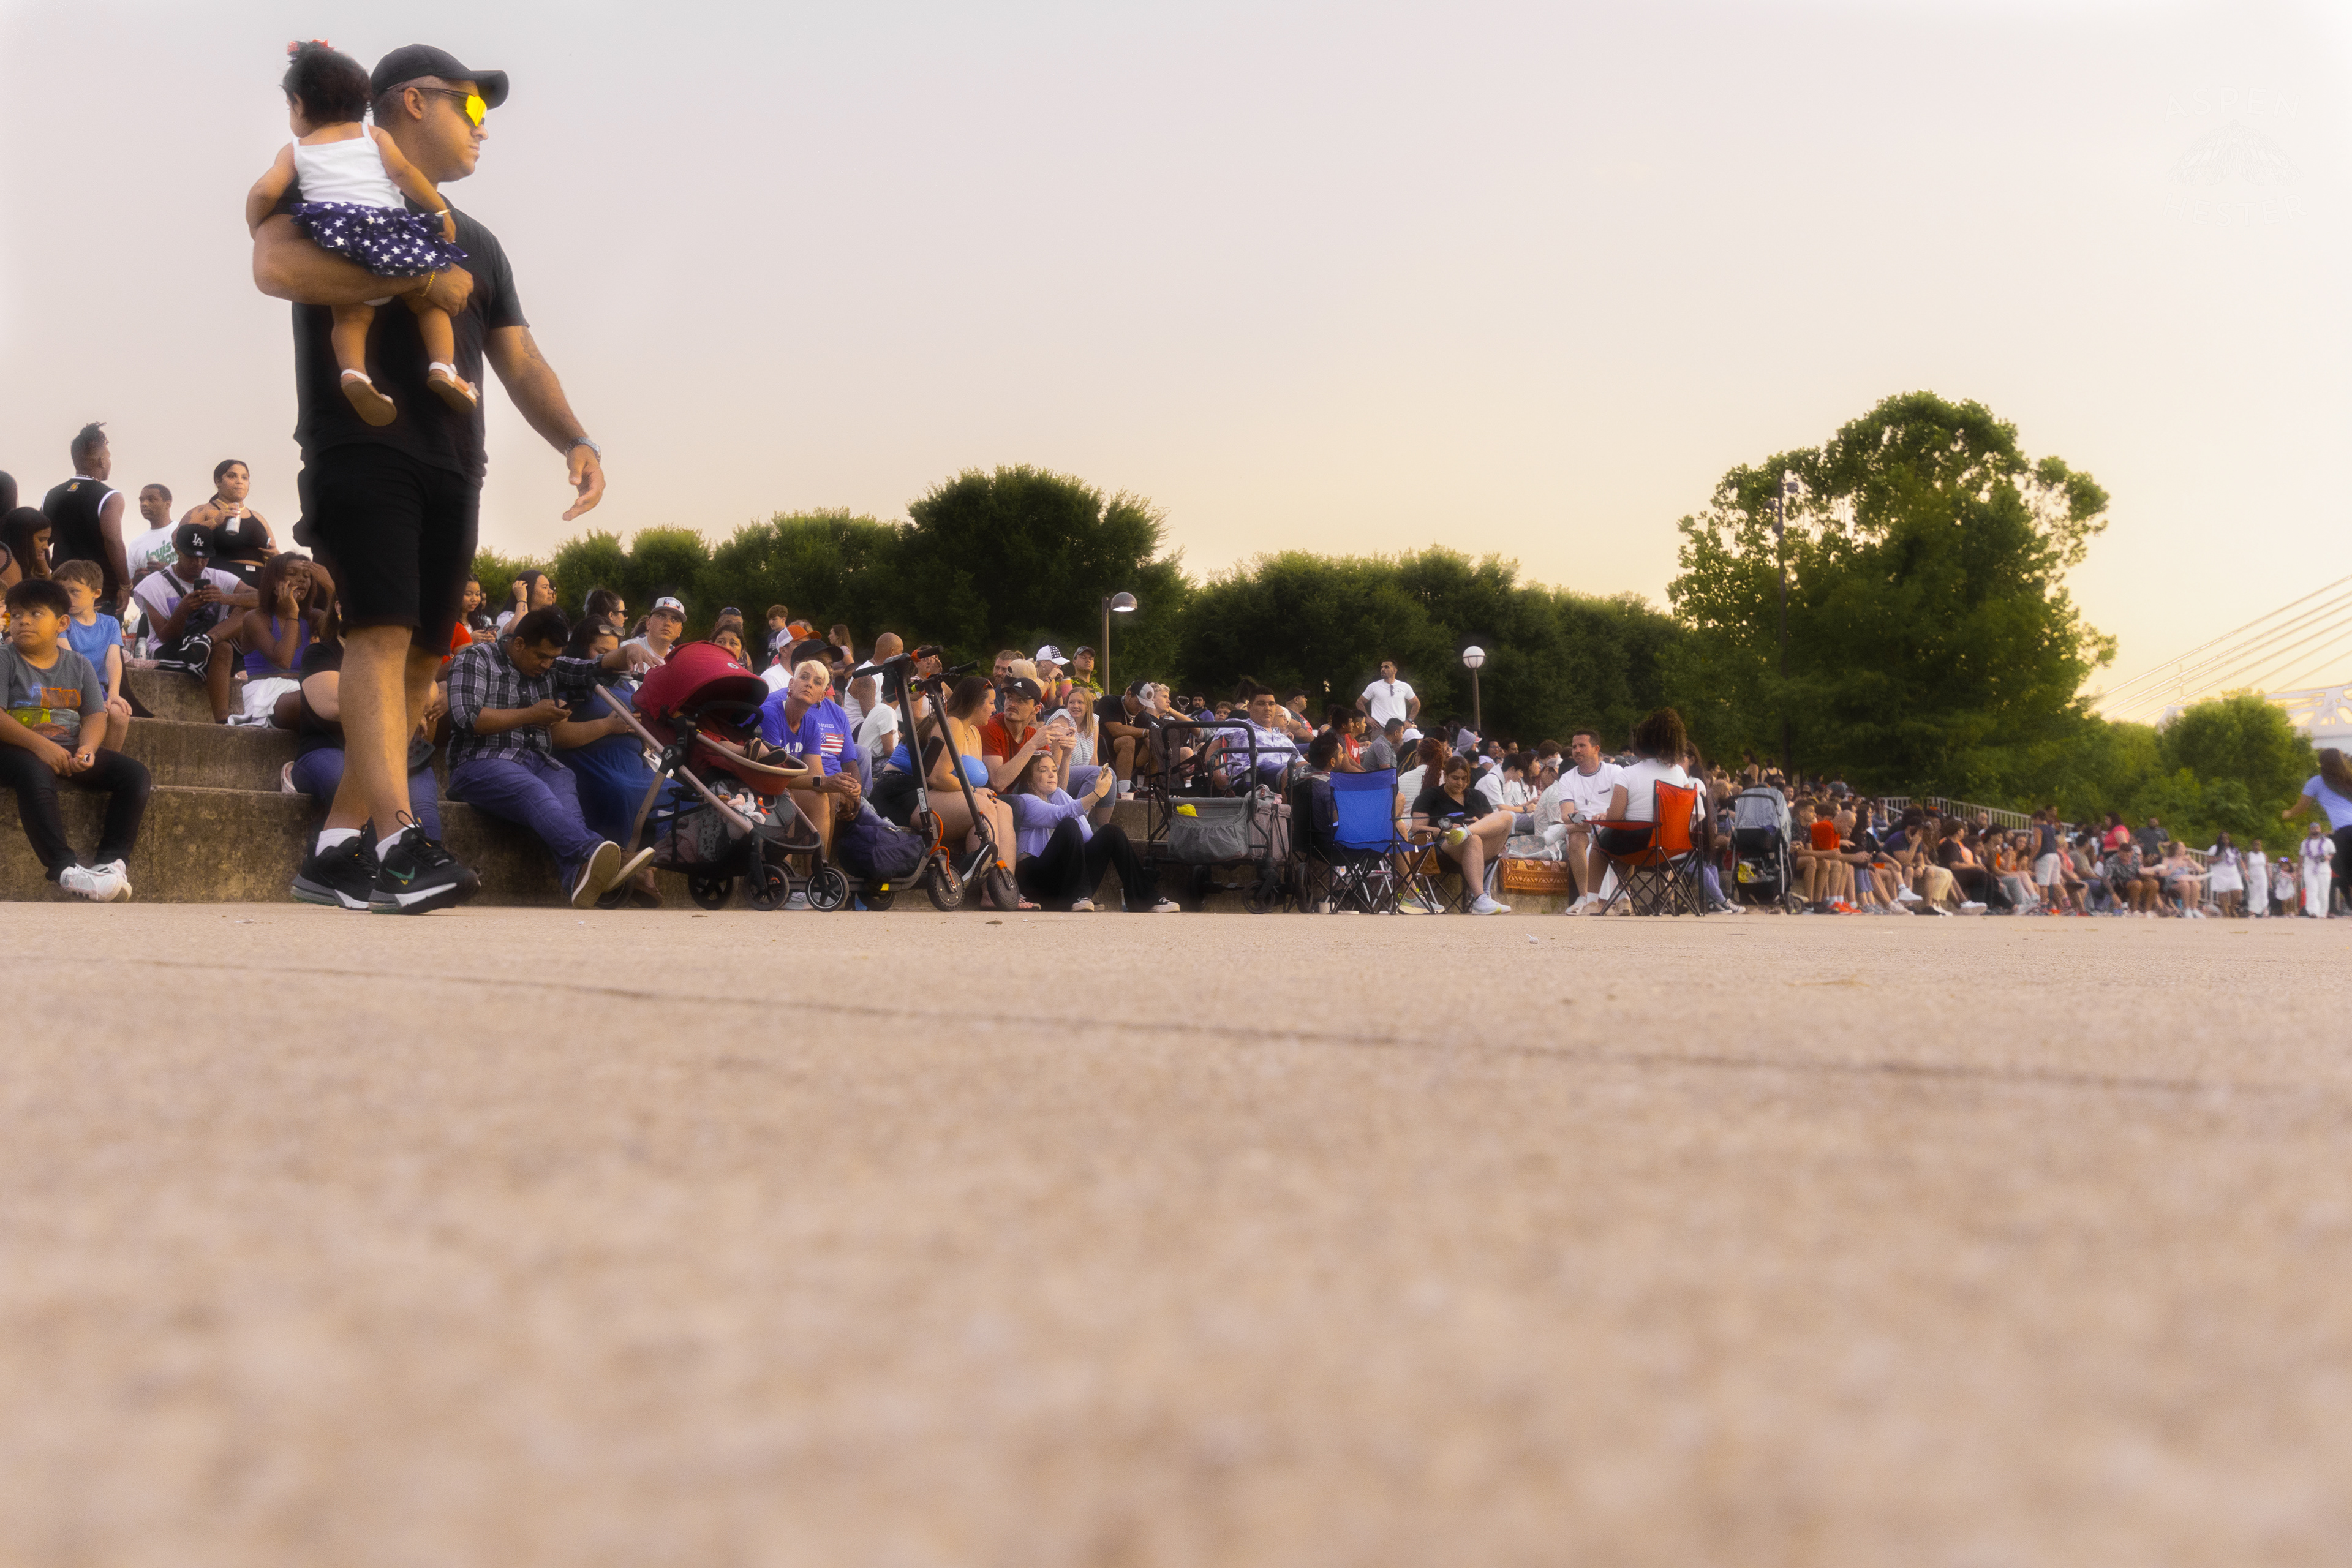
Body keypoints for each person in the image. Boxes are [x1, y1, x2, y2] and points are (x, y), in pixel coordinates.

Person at [254, 37, 603, 917]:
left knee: (419, 663)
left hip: (455, 463)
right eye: (472, 107)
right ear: (413, 101)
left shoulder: (477, 242)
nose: (484, 129)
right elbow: (276, 266)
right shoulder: (337, 180)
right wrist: (414, 275)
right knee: (377, 637)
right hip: (363, 448)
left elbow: (519, 361)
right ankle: (399, 844)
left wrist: (575, 438)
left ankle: (336, 849)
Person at [247, 42, 479, 424]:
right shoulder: (375, 137)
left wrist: (256, 223)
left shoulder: (296, 150)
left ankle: (354, 373)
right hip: (391, 232)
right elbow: (403, 174)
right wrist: (438, 208)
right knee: (431, 305)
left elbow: (264, 192)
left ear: (299, 104)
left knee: (351, 318)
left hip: (339, 239)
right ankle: (443, 368)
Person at [442, 608, 636, 909]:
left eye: (553, 658)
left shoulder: (550, 665)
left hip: (538, 762)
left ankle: (578, 878)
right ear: (519, 644)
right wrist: (531, 715)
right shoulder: (476, 659)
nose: (547, 665)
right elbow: (469, 718)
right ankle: (604, 853)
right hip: (479, 761)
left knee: (563, 789)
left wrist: (629, 653)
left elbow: (591, 667)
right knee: (537, 793)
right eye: (542, 656)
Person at [285, 572, 449, 908]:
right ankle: (366, 876)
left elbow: (429, 687)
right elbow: (329, 704)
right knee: (369, 796)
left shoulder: (398, 660)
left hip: (397, 753)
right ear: (342, 609)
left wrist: (414, 697)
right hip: (327, 751)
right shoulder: (321, 654)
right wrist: (401, 705)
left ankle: (421, 878)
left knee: (423, 814)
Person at [0, 577, 149, 900]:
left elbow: (95, 716)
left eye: (36, 614)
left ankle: (111, 863)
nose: (23, 621)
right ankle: (64, 869)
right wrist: (43, 747)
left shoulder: (78, 664)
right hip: (11, 749)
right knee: (34, 771)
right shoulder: (4, 659)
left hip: (66, 748)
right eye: (16, 615)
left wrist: (88, 748)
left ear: (62, 623)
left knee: (134, 774)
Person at [1005, 751, 1175, 913]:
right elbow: (1058, 816)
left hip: (1062, 884)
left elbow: (1086, 834)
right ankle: (1079, 895)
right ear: (1029, 778)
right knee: (1068, 824)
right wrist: (1096, 794)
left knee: (1111, 832)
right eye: (1043, 770)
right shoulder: (1026, 801)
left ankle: (1145, 898)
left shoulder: (1054, 798)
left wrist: (1058, 792)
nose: (1052, 775)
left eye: (1054, 770)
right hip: (1035, 884)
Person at [128, 522, 255, 723]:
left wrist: (227, 598)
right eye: (192, 556)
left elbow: (262, 600)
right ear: (177, 550)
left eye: (204, 557)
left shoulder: (217, 577)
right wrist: (183, 610)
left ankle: (223, 722)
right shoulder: (153, 585)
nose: (199, 563)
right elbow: (165, 636)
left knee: (242, 613)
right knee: (222, 649)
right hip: (170, 650)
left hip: (209, 648)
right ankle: (222, 719)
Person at [756, 657, 863, 865]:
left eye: (816, 682)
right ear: (791, 685)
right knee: (788, 800)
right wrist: (824, 782)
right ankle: (781, 873)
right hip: (762, 784)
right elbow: (772, 776)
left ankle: (817, 876)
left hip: (784, 784)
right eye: (804, 678)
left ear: (822, 695)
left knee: (820, 798)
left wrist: (842, 785)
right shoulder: (771, 714)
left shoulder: (812, 724)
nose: (809, 684)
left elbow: (815, 774)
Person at [41, 423, 132, 609]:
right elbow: (113, 540)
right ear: (101, 461)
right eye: (108, 456)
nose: (109, 461)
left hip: (60, 590)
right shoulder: (111, 497)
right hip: (99, 592)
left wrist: (46, 576)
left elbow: (39, 542)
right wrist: (125, 585)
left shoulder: (52, 495)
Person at [227, 552, 323, 724]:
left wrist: (330, 589)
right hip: (266, 691)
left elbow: (344, 639)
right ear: (274, 583)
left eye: (307, 576)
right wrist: (292, 613)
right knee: (317, 703)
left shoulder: (313, 617)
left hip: (302, 688)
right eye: (292, 574)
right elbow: (283, 660)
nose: (301, 580)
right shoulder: (255, 618)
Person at [1409, 754, 1512, 914]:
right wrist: (1447, 831)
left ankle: (1466, 831)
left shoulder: (1477, 796)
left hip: (1481, 848)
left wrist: (1476, 825)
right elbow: (1417, 828)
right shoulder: (1430, 796)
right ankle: (1480, 898)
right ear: (1445, 775)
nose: (1460, 783)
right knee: (1474, 839)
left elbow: (1493, 824)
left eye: (1464, 779)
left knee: (1507, 816)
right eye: (1455, 778)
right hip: (1445, 847)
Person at [1539, 729, 1620, 913]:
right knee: (1575, 839)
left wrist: (1606, 815)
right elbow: (1566, 814)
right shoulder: (1568, 778)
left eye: (1582, 746)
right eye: (1574, 747)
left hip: (1610, 826)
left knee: (1587, 835)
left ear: (1596, 749)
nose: (1576, 750)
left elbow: (1622, 805)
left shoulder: (1614, 772)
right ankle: (1585, 897)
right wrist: (1585, 820)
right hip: (1584, 826)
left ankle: (1606, 899)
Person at [49, 560, 132, 726]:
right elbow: (70, 661)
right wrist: (91, 700)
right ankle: (89, 750)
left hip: (99, 690)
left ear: (96, 593)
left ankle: (106, 753)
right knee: (99, 714)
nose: (67, 597)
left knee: (121, 715)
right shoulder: (60, 621)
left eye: (74, 591)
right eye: (62, 592)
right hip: (67, 689)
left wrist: (114, 694)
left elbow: (114, 661)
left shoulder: (111, 624)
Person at [2282, 747, 2352, 918]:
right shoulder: (2349, 780)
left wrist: (2289, 813)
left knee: (2350, 876)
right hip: (2343, 831)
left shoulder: (2316, 782)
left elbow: (2301, 807)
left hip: (2344, 833)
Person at [183, 460, 276, 585]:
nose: (239, 481)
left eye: (245, 478)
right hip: (221, 584)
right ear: (218, 481)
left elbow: (274, 551)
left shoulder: (259, 518)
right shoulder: (205, 511)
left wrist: (276, 557)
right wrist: (215, 522)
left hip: (259, 586)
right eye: (232, 476)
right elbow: (179, 539)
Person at [124, 484, 180, 584]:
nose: (144, 504)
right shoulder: (136, 544)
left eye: (151, 500)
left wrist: (167, 569)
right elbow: (130, 589)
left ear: (168, 504)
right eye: (141, 500)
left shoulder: (181, 531)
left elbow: (198, 570)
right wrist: (138, 580)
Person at [622, 595, 685, 668]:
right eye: (661, 616)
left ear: (680, 631)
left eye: (674, 620)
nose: (668, 623)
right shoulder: (627, 648)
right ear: (648, 623)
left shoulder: (680, 660)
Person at [1357, 660, 1419, 728]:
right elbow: (1360, 702)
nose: (1383, 670)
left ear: (1395, 671)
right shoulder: (1374, 686)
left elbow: (1416, 703)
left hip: (1399, 729)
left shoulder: (1404, 686)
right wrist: (1367, 718)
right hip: (1379, 728)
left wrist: (1409, 720)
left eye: (1386, 667)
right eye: (1382, 667)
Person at [496, 570, 560, 638]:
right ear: (527, 591)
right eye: (545, 587)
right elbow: (518, 632)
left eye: (549, 587)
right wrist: (522, 599)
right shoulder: (506, 616)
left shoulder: (549, 618)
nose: (551, 591)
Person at [2204, 831, 2245, 918]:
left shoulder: (2234, 849)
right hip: (2220, 873)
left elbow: (2240, 861)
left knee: (2237, 891)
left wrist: (2245, 871)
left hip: (2233, 873)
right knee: (2223, 893)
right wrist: (2218, 859)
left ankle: (2232, 909)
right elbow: (2208, 860)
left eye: (2227, 838)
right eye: (2223, 838)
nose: (2225, 840)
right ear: (2220, 839)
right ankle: (2226, 913)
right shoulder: (2215, 848)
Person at [2299, 821, 2335, 917]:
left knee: (2323, 892)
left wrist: (2328, 857)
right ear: (2310, 830)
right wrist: (2299, 870)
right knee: (2312, 891)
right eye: (2314, 828)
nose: (2316, 830)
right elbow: (2301, 856)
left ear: (2320, 829)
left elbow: (2332, 853)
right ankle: (2313, 912)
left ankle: (2323, 913)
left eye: (2317, 828)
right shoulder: (2305, 843)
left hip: (2323, 869)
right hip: (2309, 869)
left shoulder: (2327, 842)